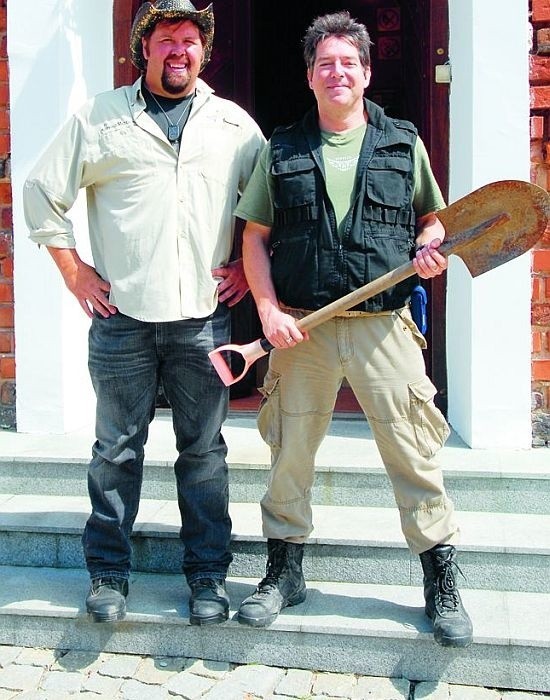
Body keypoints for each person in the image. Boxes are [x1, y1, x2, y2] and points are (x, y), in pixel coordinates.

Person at [234, 11, 473, 648]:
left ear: (366, 74)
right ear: (310, 76)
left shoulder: (403, 142)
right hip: (301, 331)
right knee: (290, 456)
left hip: (384, 326)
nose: (336, 72)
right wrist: (267, 311)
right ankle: (283, 574)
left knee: (415, 455)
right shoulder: (280, 150)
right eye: (324, 63)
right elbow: (254, 238)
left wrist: (431, 244)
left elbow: (434, 219)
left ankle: (440, 581)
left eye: (348, 62)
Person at [23, 0, 265, 626]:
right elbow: (41, 192)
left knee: (205, 453)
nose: (178, 50)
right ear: (144, 47)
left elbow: (268, 207)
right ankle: (108, 572)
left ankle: (209, 578)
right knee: (115, 452)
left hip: (203, 319)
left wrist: (245, 265)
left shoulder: (235, 127)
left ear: (204, 50)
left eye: (189, 39)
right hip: (121, 318)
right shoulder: (100, 119)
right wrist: (74, 272)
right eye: (165, 40)